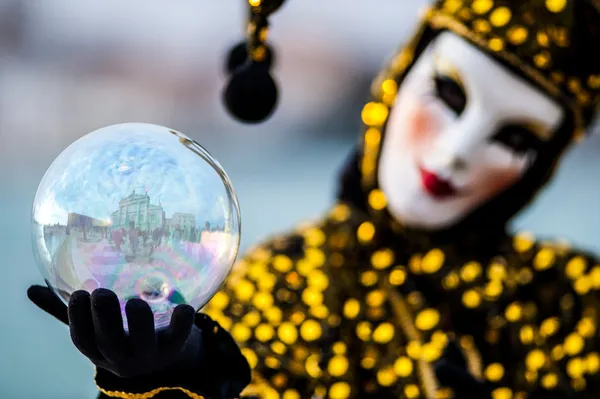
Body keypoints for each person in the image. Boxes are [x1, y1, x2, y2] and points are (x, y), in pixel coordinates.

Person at [27, 0, 600, 398]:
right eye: (448, 94)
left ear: (540, 166)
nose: (455, 153)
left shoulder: (578, 300)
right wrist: (178, 379)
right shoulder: (286, 283)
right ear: (396, 84)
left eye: (516, 138)